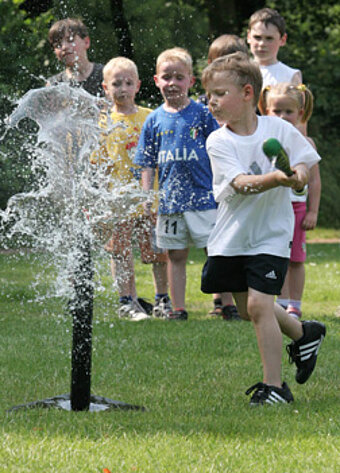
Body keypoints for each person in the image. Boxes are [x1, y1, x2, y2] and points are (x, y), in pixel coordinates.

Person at [200, 52, 326, 405]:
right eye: (209, 95)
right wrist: (276, 178)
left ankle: (275, 387)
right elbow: (241, 183)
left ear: (246, 93)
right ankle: (304, 334)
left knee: (258, 305)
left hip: (271, 234)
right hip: (231, 236)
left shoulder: (279, 129)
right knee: (247, 309)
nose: (212, 101)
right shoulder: (218, 141)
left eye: (220, 94)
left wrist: (297, 174)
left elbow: (304, 162)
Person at [134, 47, 218, 321]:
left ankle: (224, 302)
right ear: (156, 80)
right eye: (166, 77)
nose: (172, 83)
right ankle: (178, 308)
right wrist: (147, 196)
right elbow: (147, 162)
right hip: (171, 201)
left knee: (215, 250)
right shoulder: (154, 120)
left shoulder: (203, 115)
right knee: (175, 254)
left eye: (179, 77)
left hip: (204, 197)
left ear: (191, 82)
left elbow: (218, 150)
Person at [92, 57, 170, 320]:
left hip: (151, 199)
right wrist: (101, 201)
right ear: (105, 87)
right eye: (116, 84)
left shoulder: (151, 117)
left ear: (138, 85)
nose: (122, 88)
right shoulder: (102, 123)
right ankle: (128, 300)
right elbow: (99, 165)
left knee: (158, 252)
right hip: (118, 202)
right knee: (121, 251)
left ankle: (162, 300)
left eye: (128, 83)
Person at [258, 82, 321, 319]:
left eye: (288, 111)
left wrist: (313, 211)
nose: (282, 117)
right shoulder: (262, 142)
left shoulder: (306, 144)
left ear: (300, 113)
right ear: (266, 111)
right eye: (276, 111)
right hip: (272, 208)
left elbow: (314, 181)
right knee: (277, 256)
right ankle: (281, 301)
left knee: (296, 258)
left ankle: (295, 303)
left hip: (296, 209)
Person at [198, 34, 248, 320]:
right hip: (208, 178)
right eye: (218, 60)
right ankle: (219, 299)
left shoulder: (244, 98)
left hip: (235, 178)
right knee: (214, 240)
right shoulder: (204, 102)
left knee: (233, 238)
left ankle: (234, 300)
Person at [47, 18, 104, 97]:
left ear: (86, 42)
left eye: (70, 40)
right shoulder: (54, 85)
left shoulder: (106, 75)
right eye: (58, 45)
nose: (64, 47)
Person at [247, 8, 302, 89]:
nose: (262, 44)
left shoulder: (290, 76)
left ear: (282, 40)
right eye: (257, 37)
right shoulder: (238, 72)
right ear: (248, 37)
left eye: (269, 38)